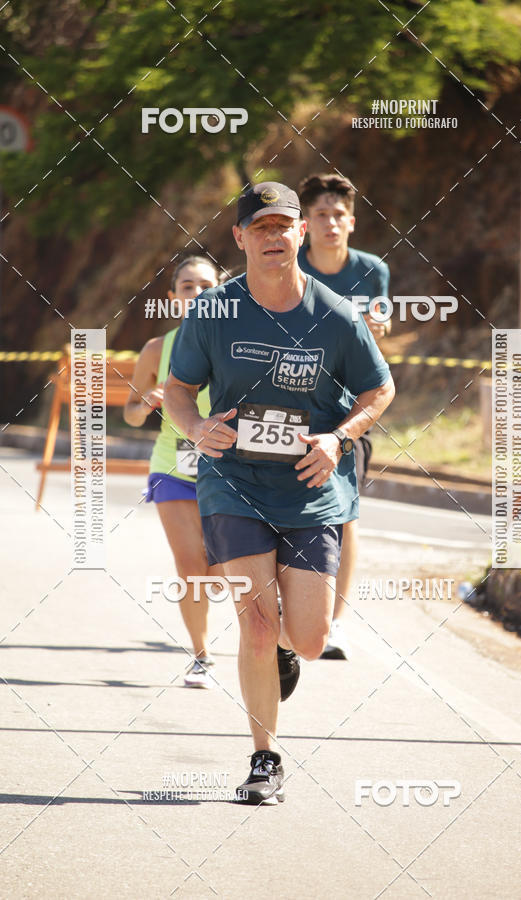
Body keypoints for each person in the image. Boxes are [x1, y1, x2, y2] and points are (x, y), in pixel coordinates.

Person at [164, 182, 395, 804]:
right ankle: (265, 759)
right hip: (233, 483)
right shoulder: (212, 312)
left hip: (309, 486)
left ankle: (286, 655)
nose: (272, 236)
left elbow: (379, 390)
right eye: (259, 227)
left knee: (310, 638)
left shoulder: (336, 315)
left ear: (300, 234)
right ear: (239, 238)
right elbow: (179, 388)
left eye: (282, 226)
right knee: (257, 625)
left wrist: (338, 439)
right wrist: (194, 427)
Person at [297, 173, 391, 660]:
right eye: (320, 215)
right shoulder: (286, 264)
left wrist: (378, 326)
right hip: (285, 404)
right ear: (304, 224)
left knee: (346, 515)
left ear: (351, 223)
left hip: (344, 410)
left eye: (338, 215)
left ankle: (334, 622)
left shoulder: (371, 270)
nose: (330, 223)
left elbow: (376, 339)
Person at [123, 256, 220, 688]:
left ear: (222, 293)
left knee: (223, 571)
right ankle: (202, 655)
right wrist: (147, 402)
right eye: (186, 286)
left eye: (205, 285)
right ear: (173, 297)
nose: (196, 293)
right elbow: (130, 415)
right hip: (173, 466)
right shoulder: (157, 349)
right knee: (189, 566)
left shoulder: (238, 342)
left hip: (229, 471)